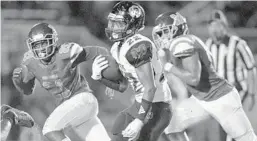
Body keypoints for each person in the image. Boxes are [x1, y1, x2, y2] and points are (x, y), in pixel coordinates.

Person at [152, 11, 257, 141]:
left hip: (221, 99)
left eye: (166, 31)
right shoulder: (182, 44)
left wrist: (167, 66)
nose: (162, 36)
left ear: (177, 28)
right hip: (202, 100)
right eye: (161, 33)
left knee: (247, 139)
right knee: (170, 125)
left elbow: (194, 79)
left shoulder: (182, 43)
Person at [12, 22, 110, 141]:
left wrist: (108, 77)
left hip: (82, 99)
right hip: (78, 112)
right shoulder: (31, 62)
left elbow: (98, 51)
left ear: (53, 41)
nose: (41, 48)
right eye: (36, 45)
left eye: (44, 43)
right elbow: (28, 91)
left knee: (50, 128)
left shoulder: (65, 53)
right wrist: (19, 82)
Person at [91, 1, 172, 141]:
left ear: (132, 25)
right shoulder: (116, 48)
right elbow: (122, 86)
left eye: (118, 24)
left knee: (140, 136)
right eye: (112, 22)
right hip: (141, 102)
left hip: (158, 104)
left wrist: (139, 120)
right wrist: (99, 77)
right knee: (118, 131)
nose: (112, 27)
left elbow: (150, 88)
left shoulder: (137, 46)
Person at [206, 9, 257, 141]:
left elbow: (251, 68)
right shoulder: (208, 45)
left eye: (218, 25)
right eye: (212, 25)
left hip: (238, 89)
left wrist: (252, 93)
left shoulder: (238, 44)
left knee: (229, 121)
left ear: (224, 26)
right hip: (219, 93)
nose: (215, 29)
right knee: (225, 125)